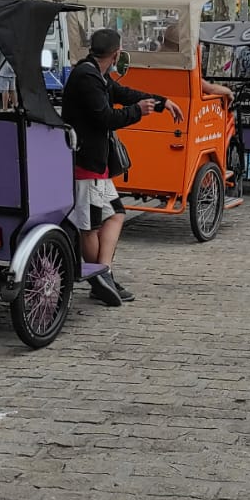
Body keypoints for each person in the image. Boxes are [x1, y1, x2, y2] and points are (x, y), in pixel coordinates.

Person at [61, 29, 182, 306]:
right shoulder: (86, 77)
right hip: (85, 164)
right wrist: (139, 111)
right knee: (89, 227)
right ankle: (98, 279)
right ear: (116, 55)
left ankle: (103, 274)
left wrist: (162, 102)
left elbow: (123, 93)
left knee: (115, 214)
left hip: (96, 164)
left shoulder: (97, 73)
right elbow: (107, 118)